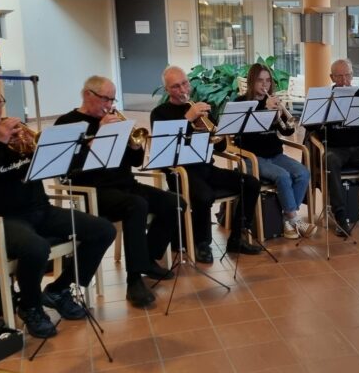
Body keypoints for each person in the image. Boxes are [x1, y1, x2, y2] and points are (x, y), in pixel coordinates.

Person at [0, 77, 117, 338]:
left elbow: (52, 166)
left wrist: (55, 150)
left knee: (103, 230)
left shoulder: (16, 130)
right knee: (36, 247)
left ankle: (59, 290)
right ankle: (30, 306)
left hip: (38, 210)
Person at [56, 76, 181, 309]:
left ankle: (147, 258)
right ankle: (134, 280)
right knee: (136, 205)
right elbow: (68, 167)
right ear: (87, 95)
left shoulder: (115, 120)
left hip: (125, 185)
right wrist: (99, 135)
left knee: (174, 202)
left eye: (112, 99)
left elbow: (134, 162)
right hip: (92, 190)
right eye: (105, 99)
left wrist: (135, 146)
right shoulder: (68, 123)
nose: (110, 104)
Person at [150, 66, 262, 261]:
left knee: (251, 183)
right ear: (167, 89)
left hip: (205, 168)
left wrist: (213, 133)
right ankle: (203, 244)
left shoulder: (202, 108)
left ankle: (237, 238)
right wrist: (188, 118)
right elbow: (167, 149)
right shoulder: (160, 113)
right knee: (204, 196)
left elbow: (221, 147)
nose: (183, 89)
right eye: (176, 86)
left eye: (185, 83)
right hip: (179, 172)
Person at [238, 62, 316, 240]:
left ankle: (288, 218)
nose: (264, 84)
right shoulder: (242, 103)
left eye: (267, 80)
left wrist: (281, 115)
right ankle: (294, 219)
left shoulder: (273, 101)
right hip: (252, 158)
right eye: (260, 80)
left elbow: (286, 132)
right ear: (251, 81)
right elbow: (245, 135)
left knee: (303, 173)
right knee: (283, 176)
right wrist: (265, 109)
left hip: (275, 155)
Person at [316, 59, 359, 235]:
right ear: (332, 77)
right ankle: (340, 214)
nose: (344, 81)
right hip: (335, 149)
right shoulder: (325, 97)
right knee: (330, 162)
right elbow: (311, 127)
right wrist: (321, 119)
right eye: (339, 76)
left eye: (347, 75)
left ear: (352, 75)